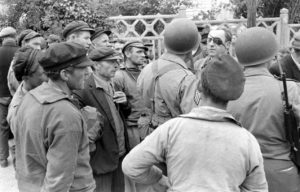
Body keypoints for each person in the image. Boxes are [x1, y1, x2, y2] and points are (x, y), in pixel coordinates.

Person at [122, 54, 268, 192]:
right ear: (237, 93)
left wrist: (160, 179)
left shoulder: (172, 129)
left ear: (199, 86)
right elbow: (257, 188)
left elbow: (131, 166)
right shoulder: (246, 140)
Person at [14, 42, 96, 192]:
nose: (89, 72)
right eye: (83, 68)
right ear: (65, 74)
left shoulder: (30, 98)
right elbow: (59, 181)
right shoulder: (65, 113)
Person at [227, 27, 300, 192]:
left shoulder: (226, 93)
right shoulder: (289, 90)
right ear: (273, 55)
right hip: (280, 173)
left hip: (238, 173)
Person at [73, 47, 130, 192]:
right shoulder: (83, 89)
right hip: (100, 160)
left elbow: (121, 116)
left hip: (119, 155)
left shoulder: (114, 84)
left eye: (117, 61)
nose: (116, 65)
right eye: (110, 62)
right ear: (96, 65)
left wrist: (125, 104)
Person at [137, 18, 200, 129]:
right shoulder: (187, 78)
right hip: (175, 134)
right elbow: (194, 118)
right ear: (192, 46)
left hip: (151, 134)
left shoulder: (147, 69)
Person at [7, 47, 48, 168]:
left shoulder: (38, 89)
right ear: (25, 78)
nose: (48, 77)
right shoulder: (18, 111)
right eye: (43, 74)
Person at [114, 41, 148, 149]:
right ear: (128, 54)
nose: (143, 55)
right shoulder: (119, 76)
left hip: (149, 126)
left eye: (144, 52)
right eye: (139, 52)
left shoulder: (146, 73)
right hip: (132, 129)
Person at [0, 26, 19, 168]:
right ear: (15, 36)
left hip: (1, 97)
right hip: (18, 95)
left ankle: (3, 159)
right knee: (18, 126)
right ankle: (18, 158)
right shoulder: (21, 53)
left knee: (3, 127)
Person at [7, 30, 44, 96]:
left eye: (40, 45)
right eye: (35, 44)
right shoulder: (18, 65)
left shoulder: (35, 61)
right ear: (23, 44)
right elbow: (21, 92)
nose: (39, 48)